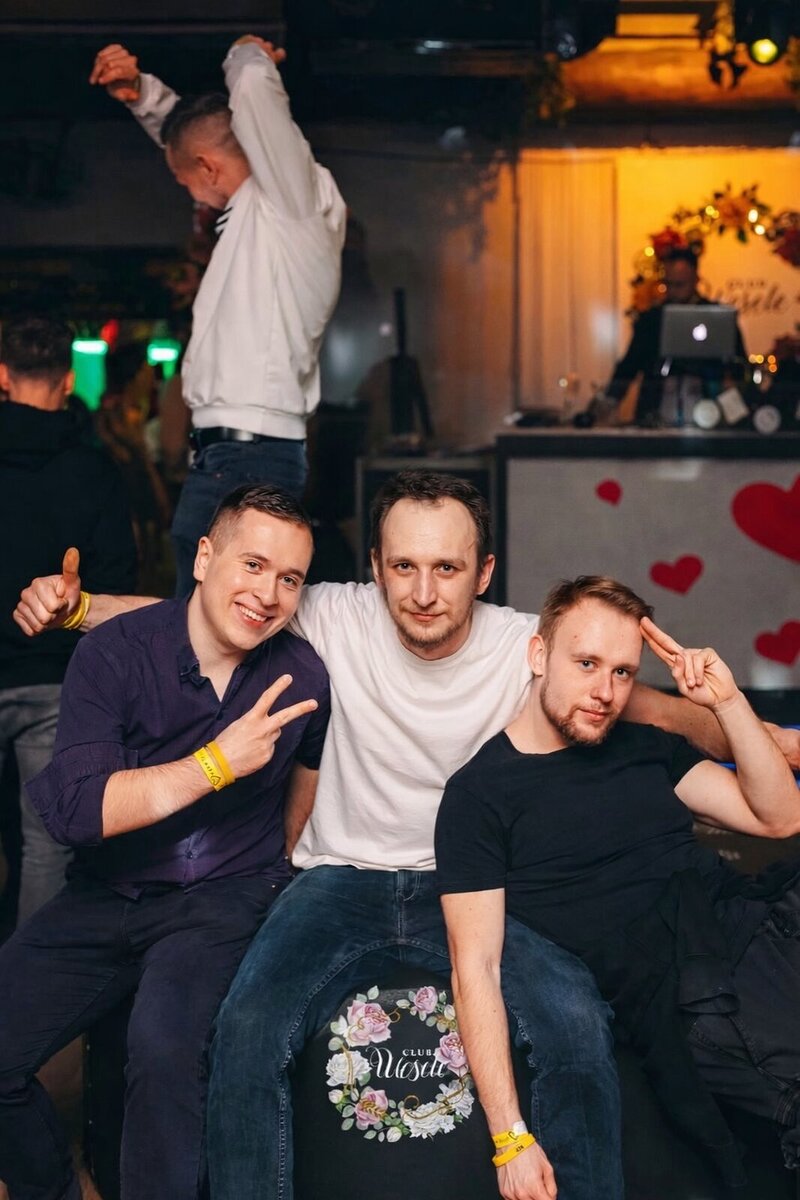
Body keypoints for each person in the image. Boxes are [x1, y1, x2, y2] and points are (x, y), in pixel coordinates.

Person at [12, 471, 800, 1200]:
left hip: (471, 884)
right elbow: (201, 609)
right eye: (403, 567)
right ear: (377, 569)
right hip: (336, 880)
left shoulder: (524, 644)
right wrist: (79, 610)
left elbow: (652, 709)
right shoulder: (329, 613)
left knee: (575, 1022)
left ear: (483, 573)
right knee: (247, 1033)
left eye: (447, 569)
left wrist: (773, 739)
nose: (423, 593)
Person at [0, 484, 330, 1200]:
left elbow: (301, 796)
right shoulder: (114, 652)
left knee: (163, 1052)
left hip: (219, 903)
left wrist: (271, 880)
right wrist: (215, 764)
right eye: (253, 564)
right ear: (204, 558)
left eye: (290, 578)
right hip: (105, 893)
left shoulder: (302, 676)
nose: (268, 594)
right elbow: (80, 810)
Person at [436, 575, 800, 1199]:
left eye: (623, 672)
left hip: (759, 926)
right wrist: (510, 1139)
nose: (605, 692)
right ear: (538, 655)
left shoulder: (643, 747)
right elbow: (476, 969)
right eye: (586, 664)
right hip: (696, 990)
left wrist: (728, 703)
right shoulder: (479, 796)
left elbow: (779, 817)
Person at [90, 36, 347, 596]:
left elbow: (248, 91)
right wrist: (143, 96)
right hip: (236, 453)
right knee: (208, 618)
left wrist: (246, 51)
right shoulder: (259, 216)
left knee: (215, 621)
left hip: (251, 454)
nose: (194, 199)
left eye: (186, 183)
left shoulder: (294, 204)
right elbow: (198, 136)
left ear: (207, 169)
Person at [0, 313, 137, 925]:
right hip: (57, 678)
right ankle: (31, 978)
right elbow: (120, 584)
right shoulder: (96, 470)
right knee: (46, 847)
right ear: (68, 380)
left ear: (2, 376)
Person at [606, 248, 747, 426]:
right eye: (668, 284)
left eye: (679, 285)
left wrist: (739, 413)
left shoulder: (719, 319)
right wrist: (606, 404)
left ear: (696, 280)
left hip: (710, 412)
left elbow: (739, 365)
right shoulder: (651, 320)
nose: (672, 291)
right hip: (656, 414)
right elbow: (630, 364)